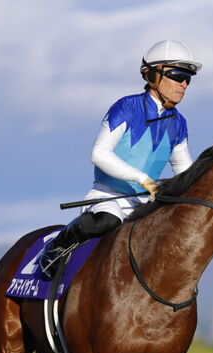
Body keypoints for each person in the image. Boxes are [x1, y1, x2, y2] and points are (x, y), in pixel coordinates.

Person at [40, 40, 201, 276]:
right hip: (108, 197)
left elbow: (186, 172)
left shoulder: (179, 123)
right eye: (178, 75)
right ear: (153, 76)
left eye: (188, 78)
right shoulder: (126, 107)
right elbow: (98, 153)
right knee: (109, 220)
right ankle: (59, 245)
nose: (184, 84)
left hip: (146, 205)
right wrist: (143, 179)